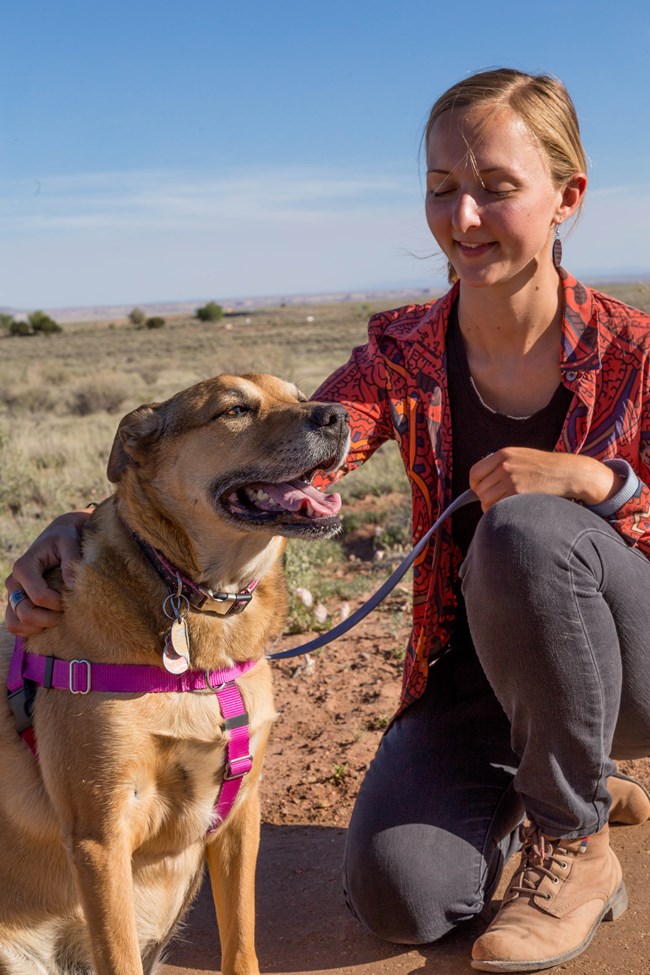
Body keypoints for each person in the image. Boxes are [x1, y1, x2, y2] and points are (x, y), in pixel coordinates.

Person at [6, 68, 650, 973]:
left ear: (566, 197)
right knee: (402, 894)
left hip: (637, 669)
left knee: (529, 531)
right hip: (475, 676)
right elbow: (278, 458)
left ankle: (575, 840)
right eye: (441, 190)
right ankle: (553, 766)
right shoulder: (403, 354)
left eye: (497, 190)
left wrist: (600, 482)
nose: (462, 220)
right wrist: (84, 523)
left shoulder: (636, 351)